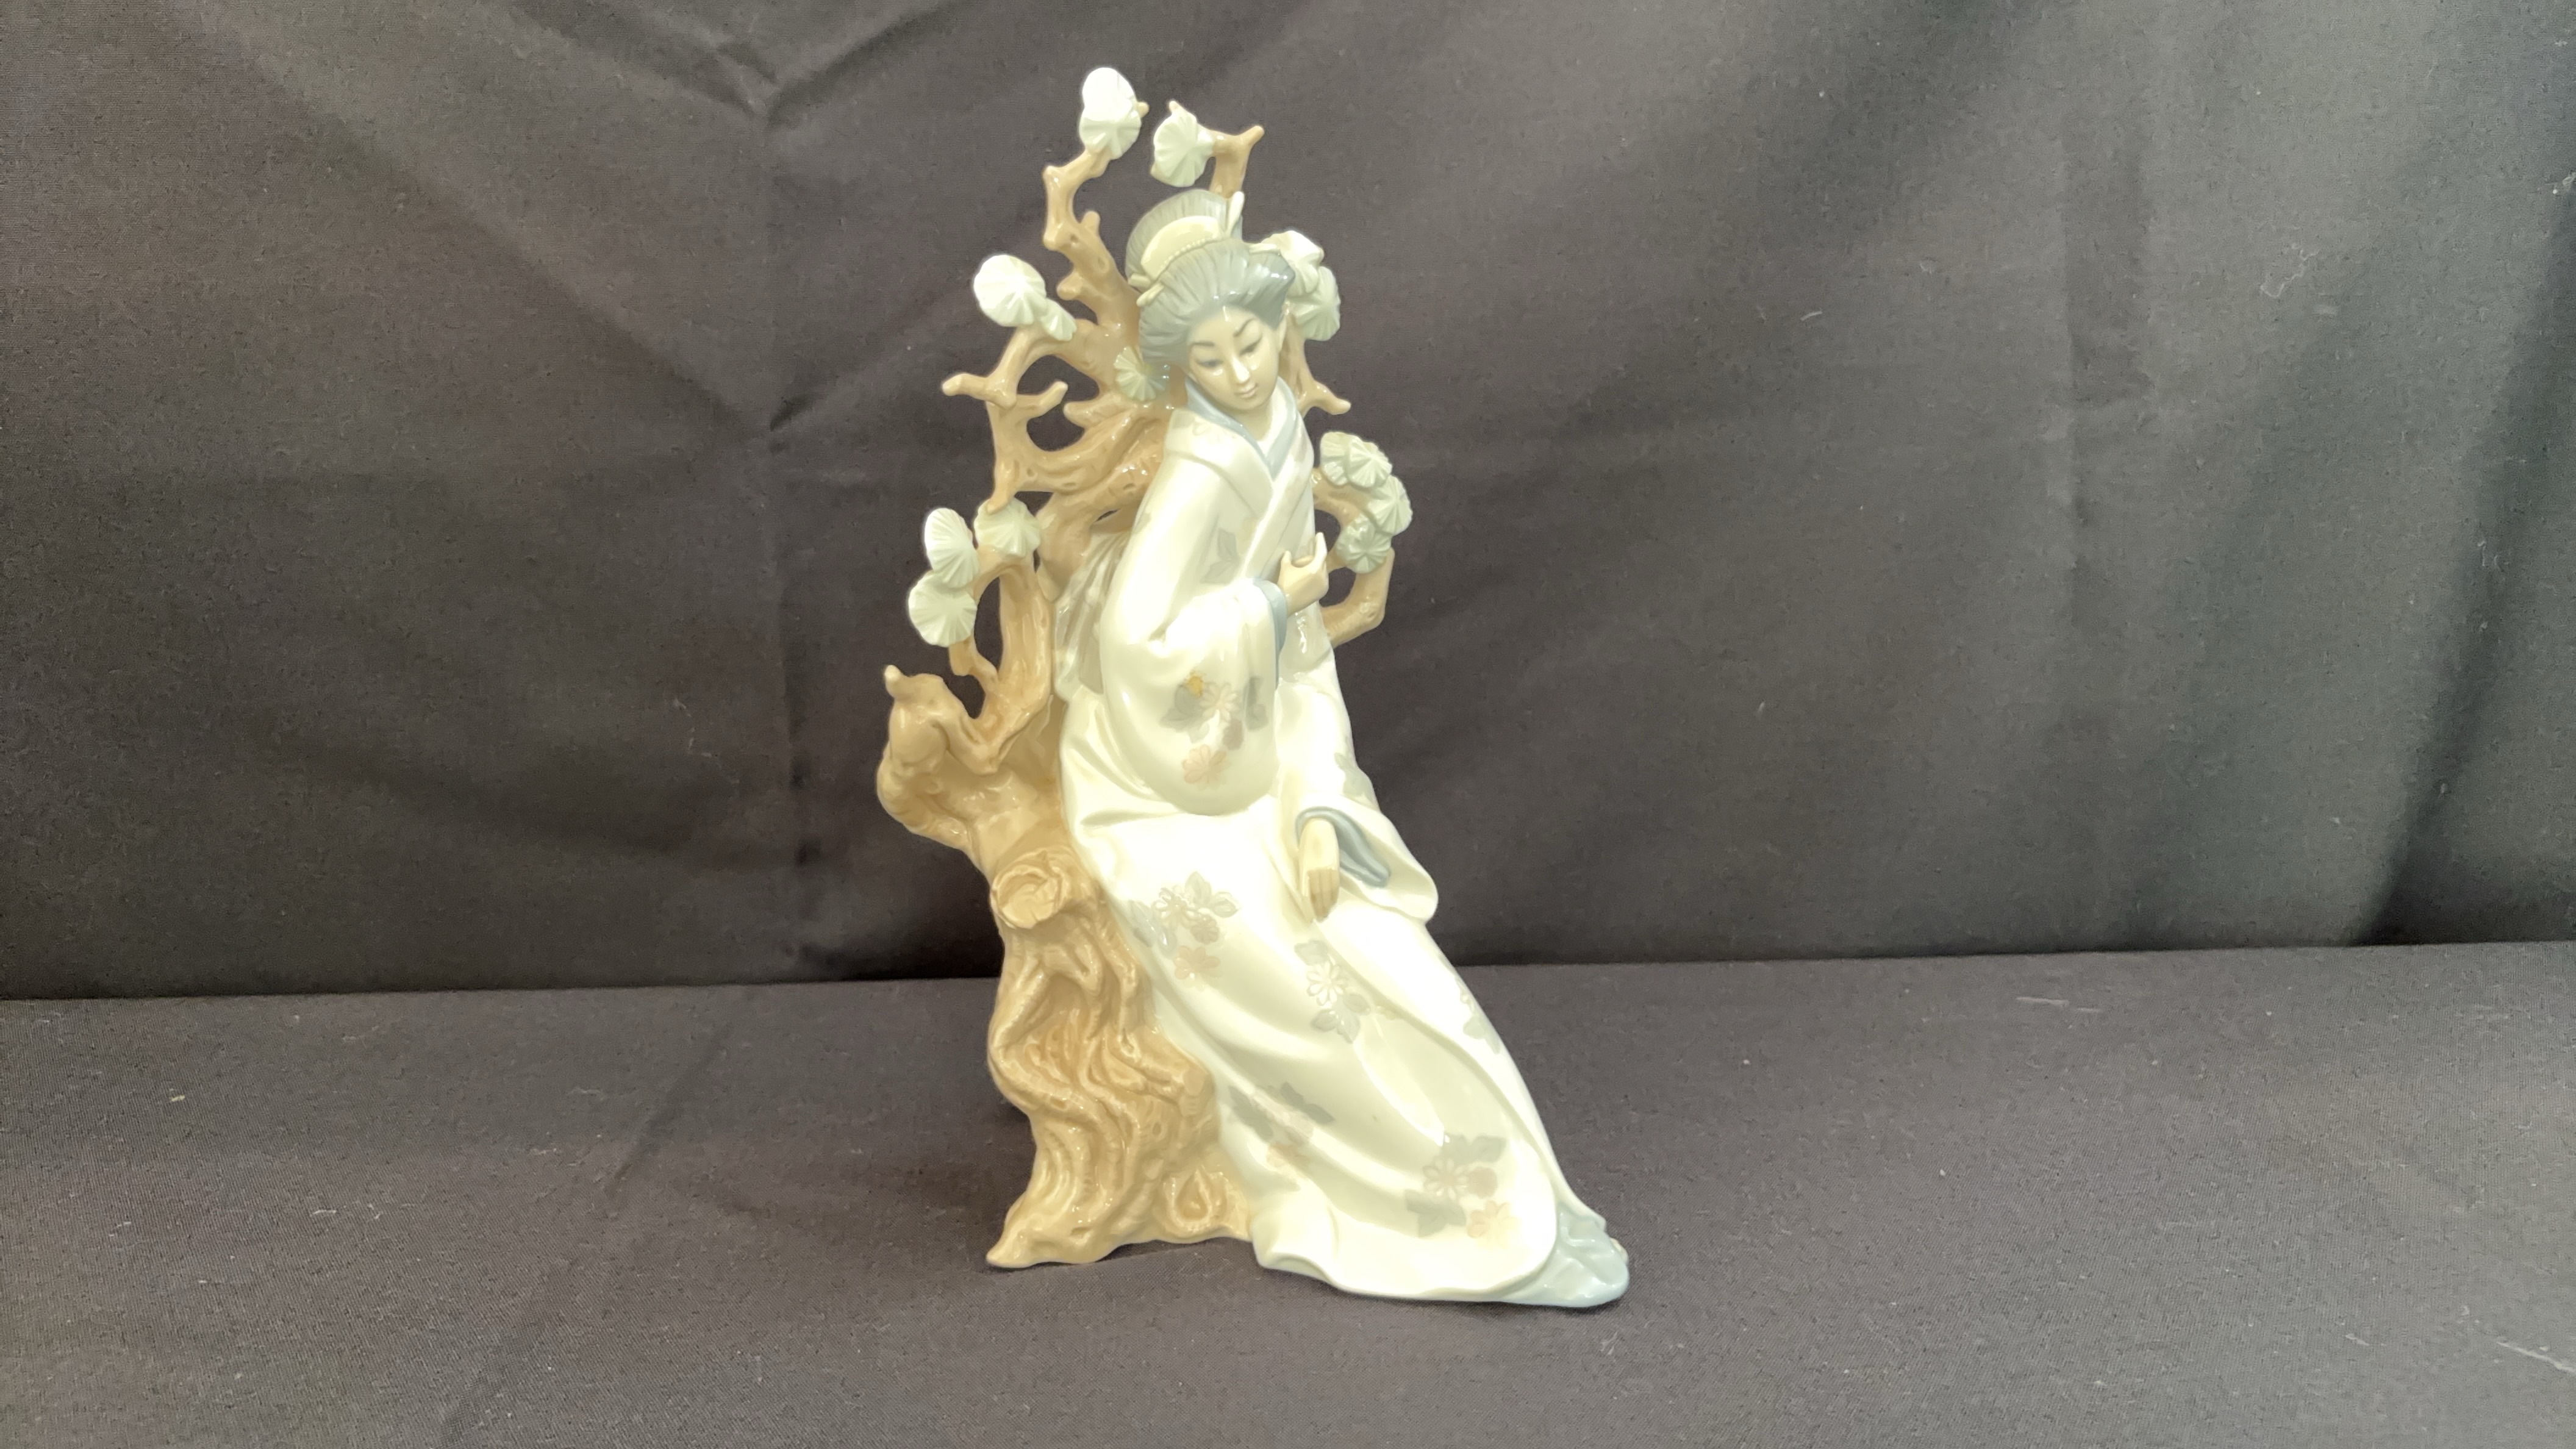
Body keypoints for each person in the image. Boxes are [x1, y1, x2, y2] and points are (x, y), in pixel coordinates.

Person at [1050, 190, 1629, 1306]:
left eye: (1252, 341)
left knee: (1391, 956)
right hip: (1152, 782)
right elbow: (1137, 645)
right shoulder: (1197, 474)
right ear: (1179, 365)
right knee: (1304, 988)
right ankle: (1461, 1222)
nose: (1239, 372)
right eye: (1208, 358)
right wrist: (1271, 606)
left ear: (1281, 325)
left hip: (1254, 743)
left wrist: (1317, 802)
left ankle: (1517, 1202)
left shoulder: (1278, 431)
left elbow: (1304, 656)